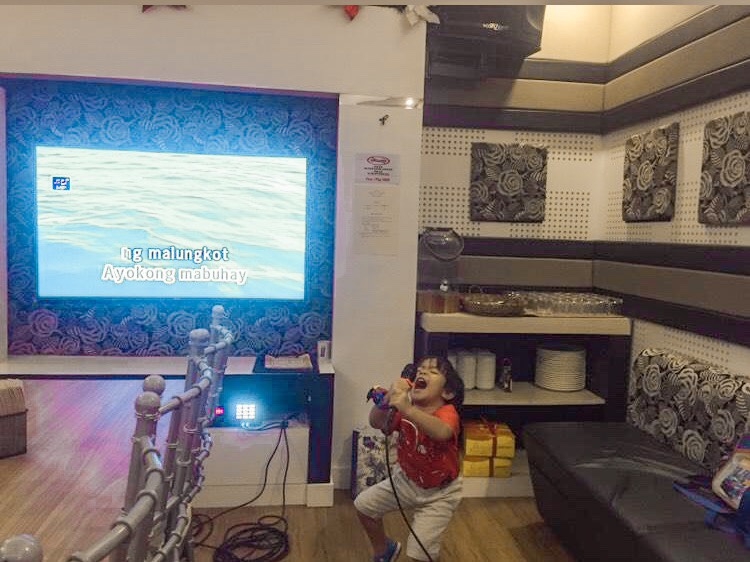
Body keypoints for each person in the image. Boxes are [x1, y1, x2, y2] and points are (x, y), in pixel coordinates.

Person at [354, 355, 465, 562]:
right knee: (364, 506)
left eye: (433, 371)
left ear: (448, 392)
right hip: (405, 480)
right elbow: (377, 422)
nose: (422, 372)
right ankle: (384, 550)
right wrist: (388, 399)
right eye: (420, 370)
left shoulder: (447, 413)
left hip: (440, 493)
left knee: (419, 553)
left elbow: (442, 432)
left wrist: (408, 409)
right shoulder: (405, 408)